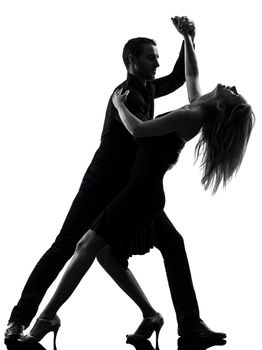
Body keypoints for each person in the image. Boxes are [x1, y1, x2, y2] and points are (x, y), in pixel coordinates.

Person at [20, 16, 254, 348]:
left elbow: (139, 131)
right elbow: (189, 76)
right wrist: (188, 39)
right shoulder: (197, 106)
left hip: (139, 194)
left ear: (223, 107)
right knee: (125, 251)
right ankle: (173, 320)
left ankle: (43, 321)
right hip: (142, 193)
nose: (232, 86)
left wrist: (117, 104)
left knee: (86, 247)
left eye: (234, 95)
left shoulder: (192, 115)